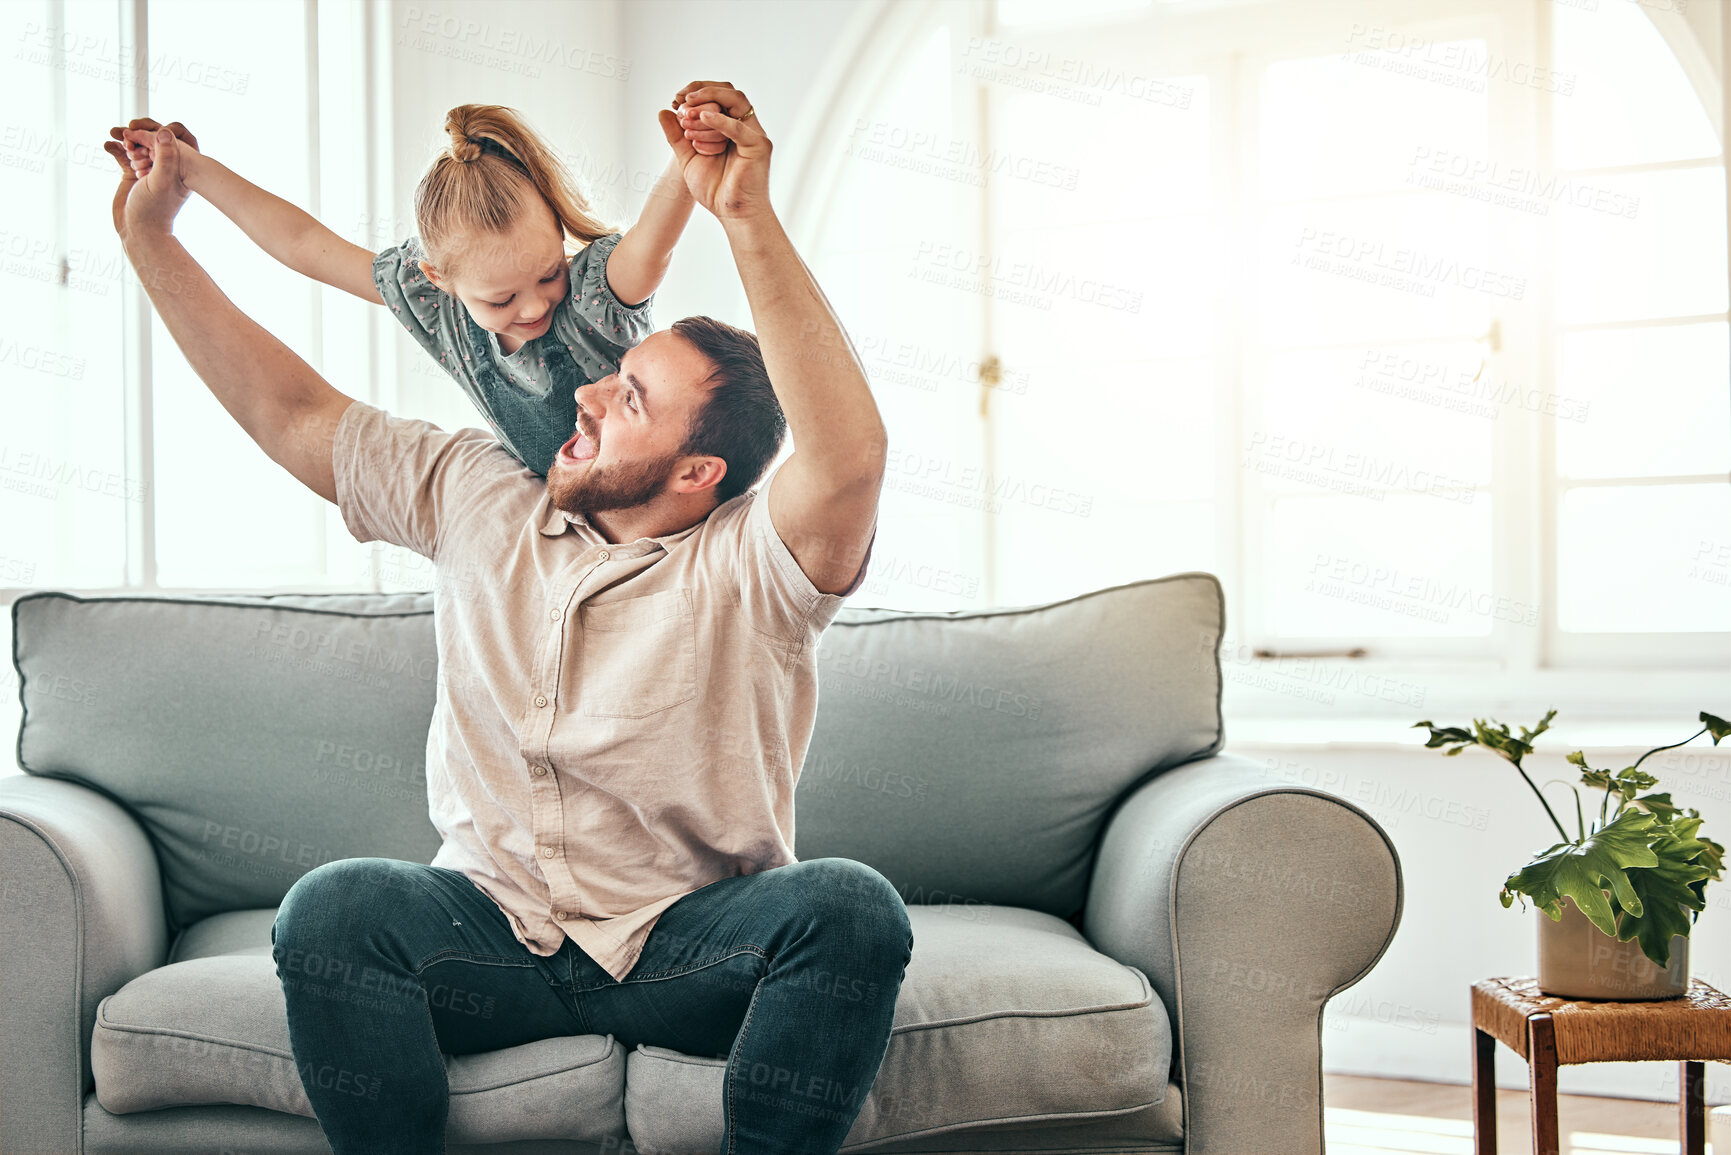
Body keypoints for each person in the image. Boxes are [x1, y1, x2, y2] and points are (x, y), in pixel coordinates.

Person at [103, 81, 909, 1155]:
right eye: (611, 376)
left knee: (850, 909)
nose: (580, 394)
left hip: (689, 948)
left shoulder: (756, 562)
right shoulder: (476, 490)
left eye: (628, 401)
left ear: (699, 468)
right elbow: (290, 411)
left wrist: (745, 216)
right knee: (334, 909)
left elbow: (849, 453)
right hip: (493, 943)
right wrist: (152, 239)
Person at [110, 100, 728, 475]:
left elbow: (653, 243)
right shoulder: (435, 307)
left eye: (548, 272)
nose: (537, 304)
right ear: (440, 280)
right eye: (501, 299)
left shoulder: (594, 302)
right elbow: (303, 244)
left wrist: (690, 157)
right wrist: (192, 170)